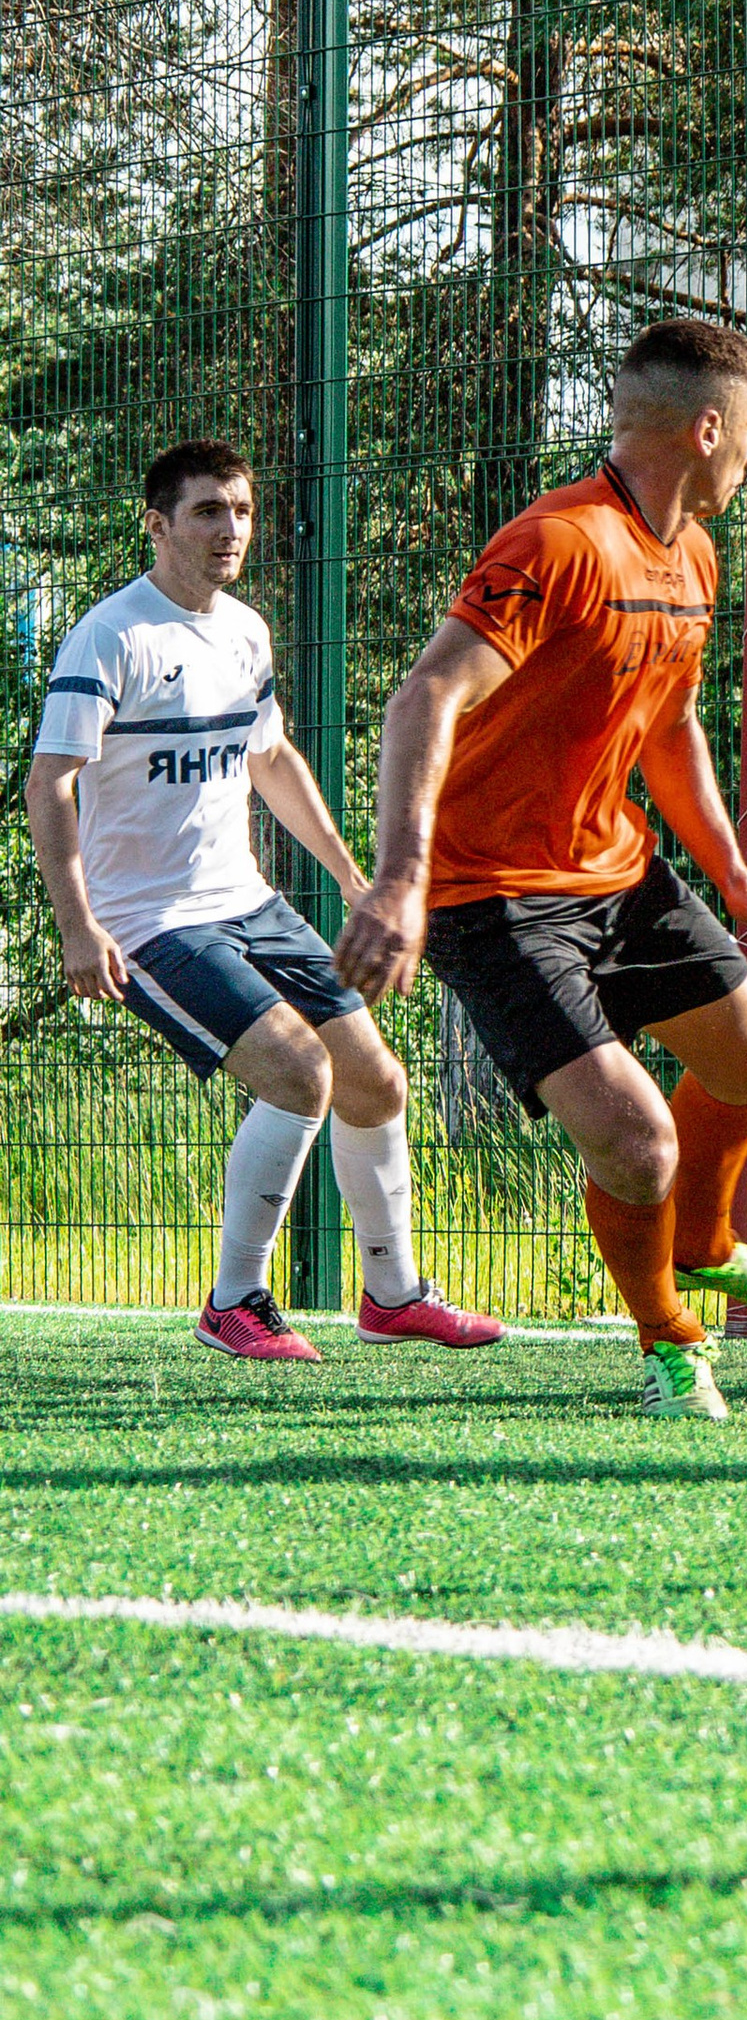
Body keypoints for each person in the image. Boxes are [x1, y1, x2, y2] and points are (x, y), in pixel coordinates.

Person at [333, 320, 747, 1425]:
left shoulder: (693, 554)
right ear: (706, 429)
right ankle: (669, 1340)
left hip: (616, 872)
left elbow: (672, 730)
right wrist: (398, 880)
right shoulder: (557, 543)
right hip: (490, 894)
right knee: (635, 1138)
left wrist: (737, 883)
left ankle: (704, 1245)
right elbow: (424, 697)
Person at [26, 438, 501, 1364]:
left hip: (247, 900)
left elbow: (272, 757)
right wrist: (77, 926)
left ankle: (393, 1296)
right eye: (208, 512)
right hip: (150, 922)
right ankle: (233, 1301)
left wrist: (349, 875)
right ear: (157, 525)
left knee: (376, 1081)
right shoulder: (111, 635)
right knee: (298, 1075)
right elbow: (52, 783)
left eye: (241, 511)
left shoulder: (246, 630)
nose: (230, 529)